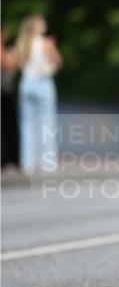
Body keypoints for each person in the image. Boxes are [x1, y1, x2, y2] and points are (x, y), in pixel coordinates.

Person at [15, 15, 63, 173]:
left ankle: (28, 163)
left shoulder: (22, 44)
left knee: (27, 124)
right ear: (37, 27)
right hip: (43, 83)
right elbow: (58, 62)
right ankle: (47, 162)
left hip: (26, 83)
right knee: (46, 124)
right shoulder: (46, 43)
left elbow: (16, 64)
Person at [1, 27, 20, 167]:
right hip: (3, 93)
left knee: (9, 125)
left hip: (7, 92)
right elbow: (10, 66)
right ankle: (6, 158)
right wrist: (14, 55)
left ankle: (10, 158)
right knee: (6, 126)